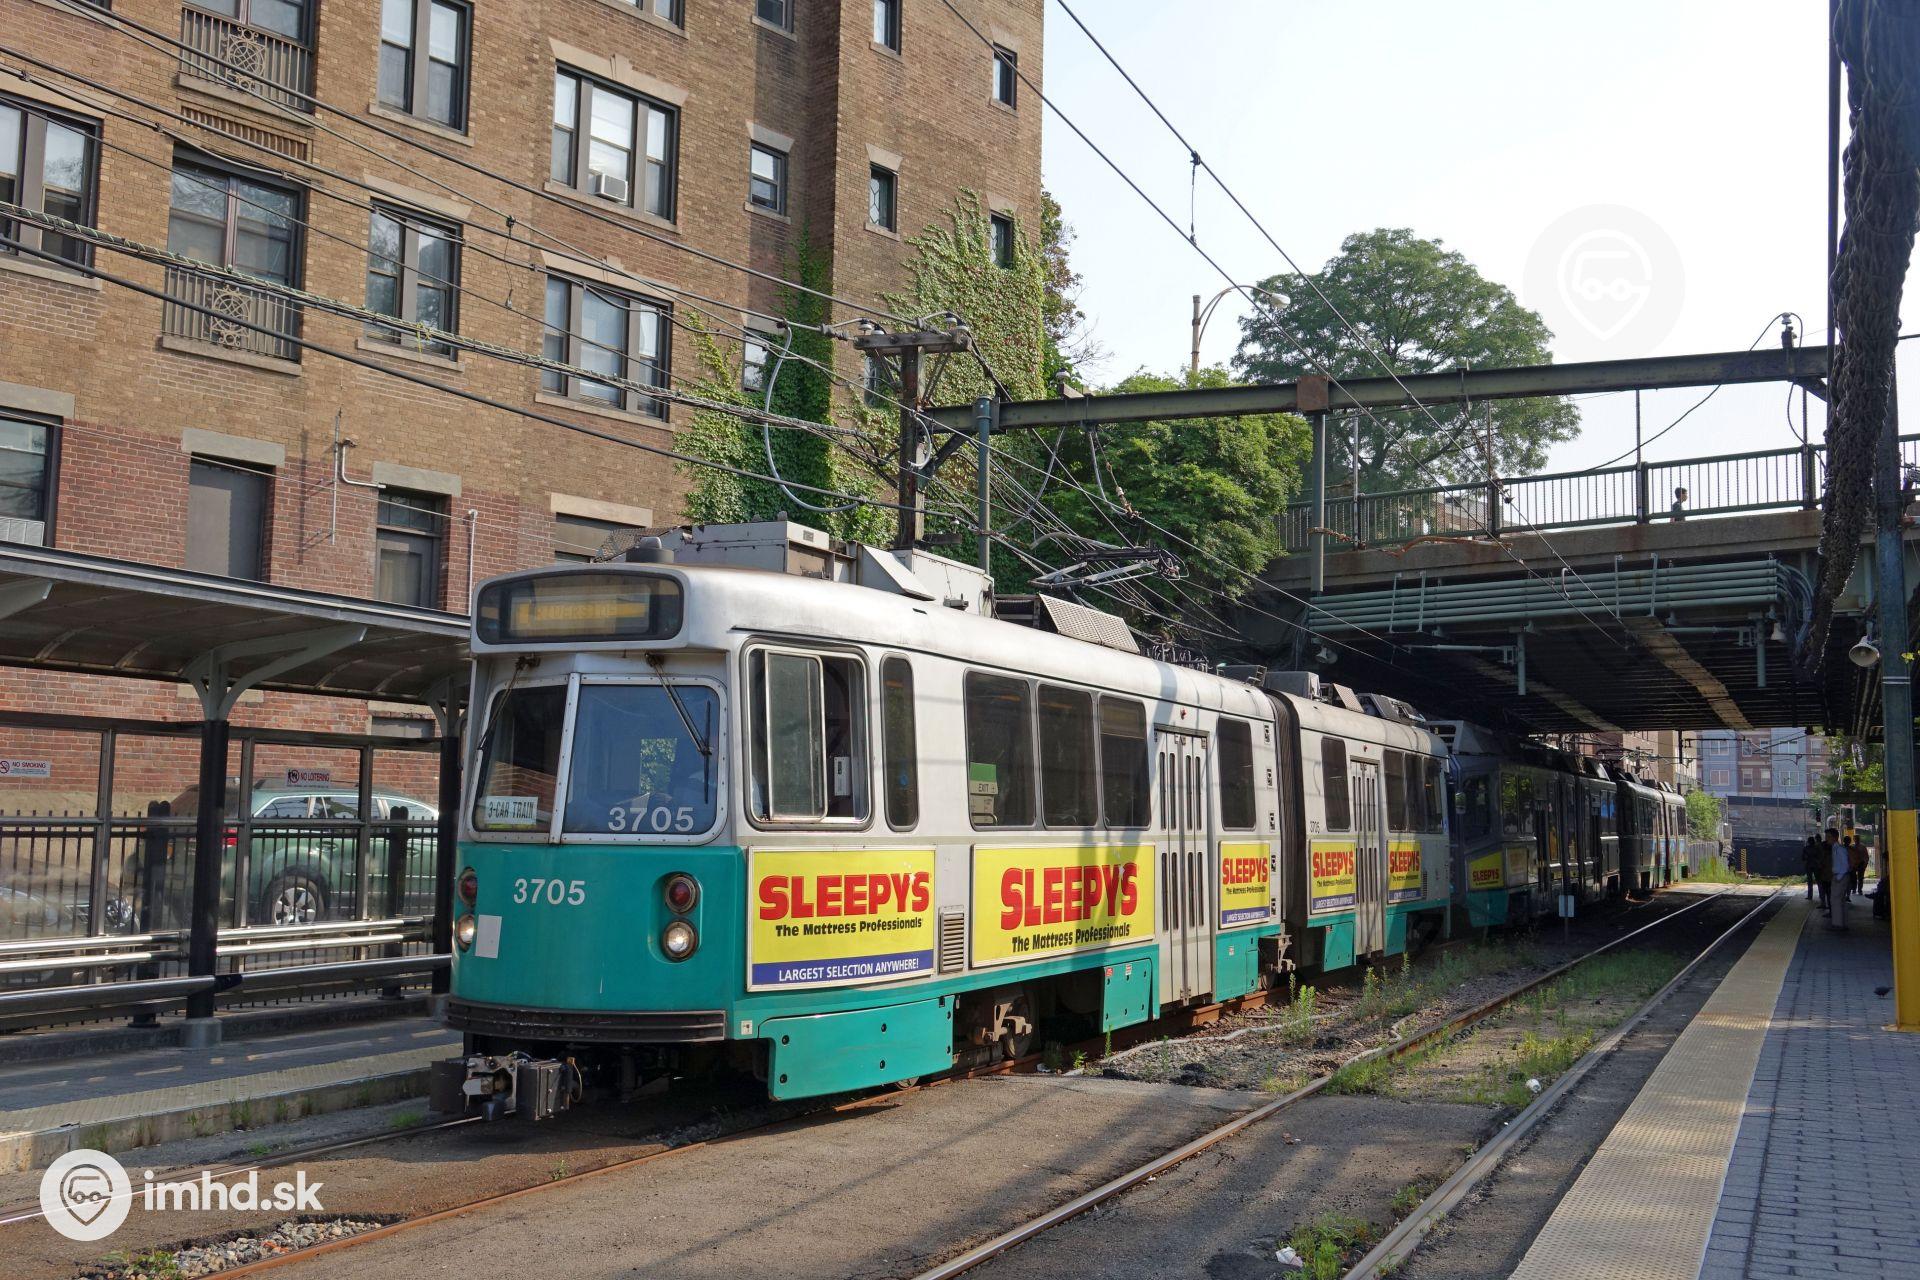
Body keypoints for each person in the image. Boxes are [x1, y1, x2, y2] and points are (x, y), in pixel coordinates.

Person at [1828, 827, 1850, 930]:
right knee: (1840, 900)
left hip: (1840, 876)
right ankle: (1841, 923)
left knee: (1835, 900)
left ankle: (1837, 924)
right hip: (1839, 876)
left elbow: (1845, 865)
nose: (1827, 839)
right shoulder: (1835, 848)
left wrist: (1839, 877)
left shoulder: (1839, 849)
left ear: (1835, 837)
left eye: (1829, 837)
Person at [1802, 833, 1826, 904]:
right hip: (1816, 866)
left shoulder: (1805, 848)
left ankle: (1810, 896)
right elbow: (1821, 856)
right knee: (1819, 881)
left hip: (1808, 866)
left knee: (1810, 881)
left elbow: (1803, 858)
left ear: (1808, 842)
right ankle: (1821, 895)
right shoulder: (1817, 848)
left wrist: (1808, 857)